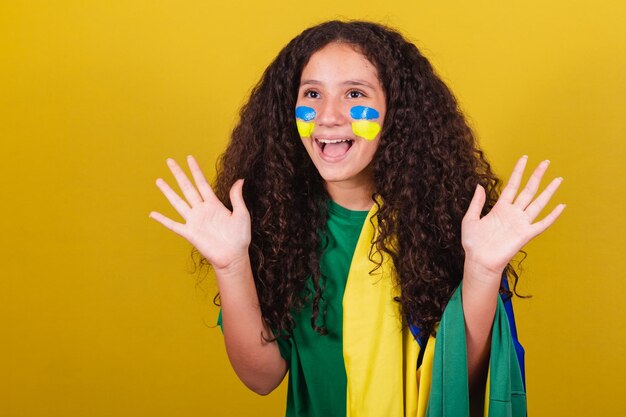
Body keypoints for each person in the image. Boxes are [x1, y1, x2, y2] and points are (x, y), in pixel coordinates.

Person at [149, 20, 564, 417]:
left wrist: (483, 270)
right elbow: (263, 377)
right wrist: (231, 263)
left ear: (396, 115)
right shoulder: (273, 225)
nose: (328, 115)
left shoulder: (450, 223)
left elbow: (462, 382)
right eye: (312, 94)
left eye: (354, 94)